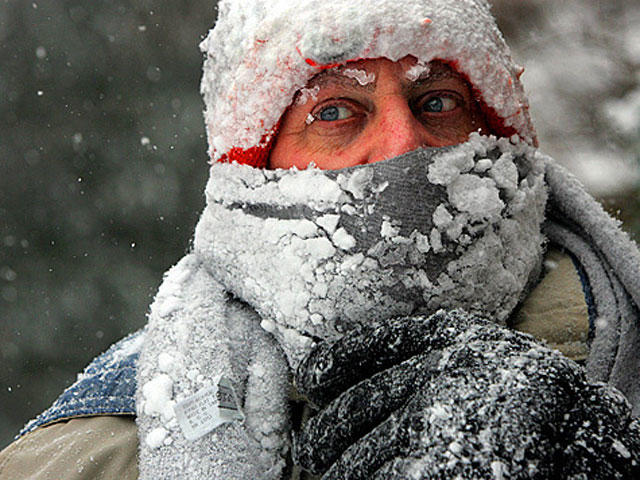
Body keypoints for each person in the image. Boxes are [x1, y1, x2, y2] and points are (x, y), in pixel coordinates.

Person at [1, 0, 639, 478]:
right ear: (256, 175)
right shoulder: (92, 455)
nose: (403, 143)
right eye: (333, 111)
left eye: (439, 102)